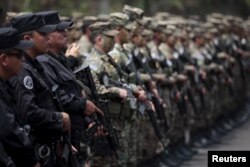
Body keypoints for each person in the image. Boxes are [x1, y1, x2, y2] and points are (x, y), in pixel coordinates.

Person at [9, 14, 71, 166]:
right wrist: (58, 118)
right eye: (43, 34)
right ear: (26, 38)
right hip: (35, 150)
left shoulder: (36, 66)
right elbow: (28, 112)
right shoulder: (22, 70)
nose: (48, 38)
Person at [0, 27, 40, 167]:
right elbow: (9, 131)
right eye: (18, 55)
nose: (23, 59)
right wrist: (31, 161)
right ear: (4, 59)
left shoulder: (6, 84)